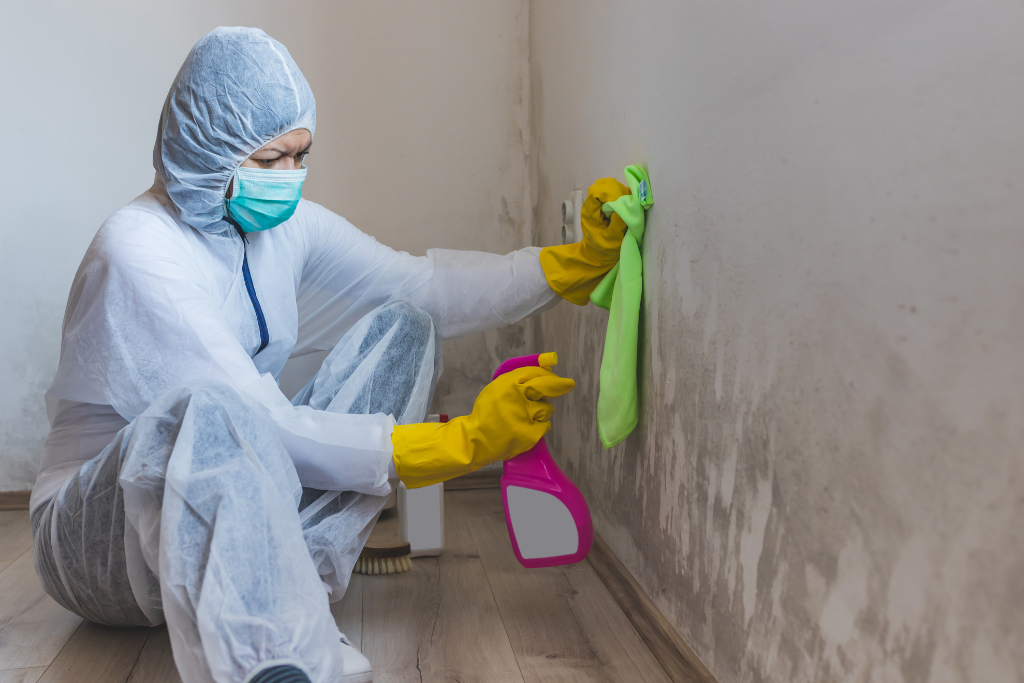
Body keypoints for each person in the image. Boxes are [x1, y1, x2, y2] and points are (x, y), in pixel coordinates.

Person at [29, 27, 628, 683]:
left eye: (301, 154)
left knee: (407, 326)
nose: (289, 177)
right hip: (102, 545)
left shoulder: (282, 227)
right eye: (268, 160)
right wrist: (458, 444)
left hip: (233, 492)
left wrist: (566, 265)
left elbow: (422, 285)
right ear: (207, 148)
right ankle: (278, 657)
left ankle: (288, 587)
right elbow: (261, 419)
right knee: (216, 407)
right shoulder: (137, 251)